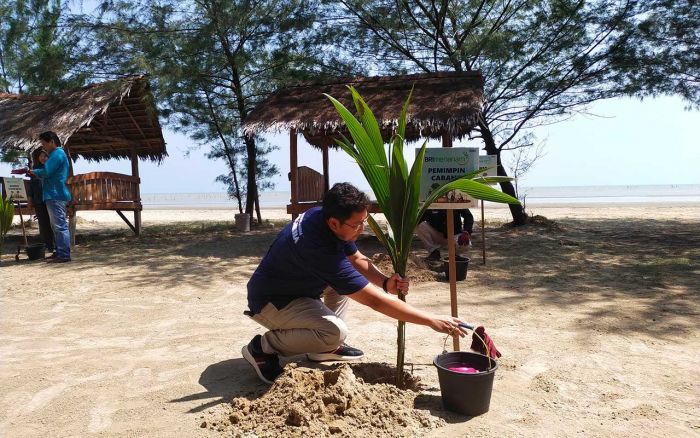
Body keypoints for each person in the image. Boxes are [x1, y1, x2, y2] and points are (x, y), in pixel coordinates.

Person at [242, 182, 470, 384]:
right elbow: (374, 302)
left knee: (342, 285)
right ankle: (263, 347)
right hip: (271, 302)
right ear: (334, 223)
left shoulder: (322, 216)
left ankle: (323, 349)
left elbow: (356, 259)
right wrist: (431, 320)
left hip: (295, 289)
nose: (362, 229)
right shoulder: (318, 247)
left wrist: (385, 282)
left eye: (365, 221)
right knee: (335, 332)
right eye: (357, 224)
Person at [27, 131, 72, 263]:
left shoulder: (57, 154)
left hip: (55, 194)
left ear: (52, 141)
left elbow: (47, 171)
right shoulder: (58, 154)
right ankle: (60, 251)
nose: (44, 147)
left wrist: (33, 171)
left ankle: (63, 254)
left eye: (44, 144)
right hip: (55, 193)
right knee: (57, 225)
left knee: (59, 226)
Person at [27, 148, 55, 256]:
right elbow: (30, 188)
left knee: (53, 223)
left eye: (45, 156)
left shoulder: (52, 169)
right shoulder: (34, 170)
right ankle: (49, 246)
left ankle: (57, 245)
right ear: (38, 158)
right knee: (44, 225)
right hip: (38, 201)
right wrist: (30, 201)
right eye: (41, 156)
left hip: (51, 200)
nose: (43, 158)